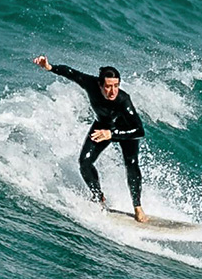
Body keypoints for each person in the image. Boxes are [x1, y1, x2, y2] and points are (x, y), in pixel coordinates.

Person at [34, 55, 147, 222]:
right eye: (108, 86)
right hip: (102, 124)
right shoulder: (91, 84)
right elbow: (71, 72)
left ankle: (137, 207)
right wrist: (50, 67)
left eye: (116, 86)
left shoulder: (124, 100)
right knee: (84, 162)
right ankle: (98, 197)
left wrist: (113, 134)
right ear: (100, 85)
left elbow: (139, 130)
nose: (112, 91)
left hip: (125, 129)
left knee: (131, 164)